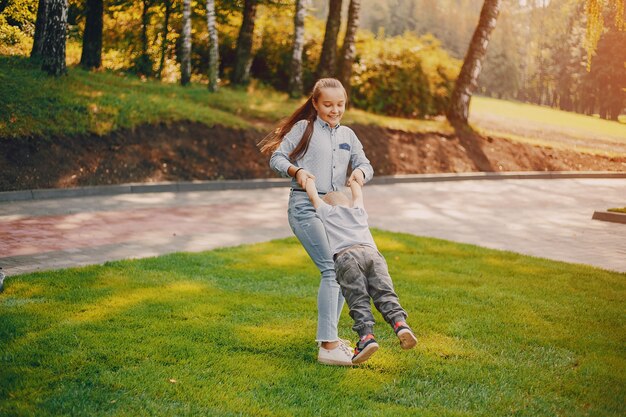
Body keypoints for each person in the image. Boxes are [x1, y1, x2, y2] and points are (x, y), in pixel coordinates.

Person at [258, 78, 374, 366]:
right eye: (328, 104)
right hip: (305, 207)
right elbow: (277, 157)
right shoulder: (303, 129)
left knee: (345, 270)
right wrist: (296, 171)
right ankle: (329, 346)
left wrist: (360, 173)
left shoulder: (348, 134)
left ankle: (330, 338)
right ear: (315, 103)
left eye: (340, 105)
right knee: (332, 269)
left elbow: (365, 163)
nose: (335, 110)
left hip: (336, 210)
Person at [304, 178, 417, 364]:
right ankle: (400, 324)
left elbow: (313, 196)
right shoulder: (357, 210)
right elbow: (358, 193)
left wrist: (308, 180)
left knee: (358, 299)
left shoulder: (326, 212)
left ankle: (366, 338)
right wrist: (354, 182)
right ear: (347, 203)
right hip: (373, 255)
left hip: (347, 257)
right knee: (385, 293)